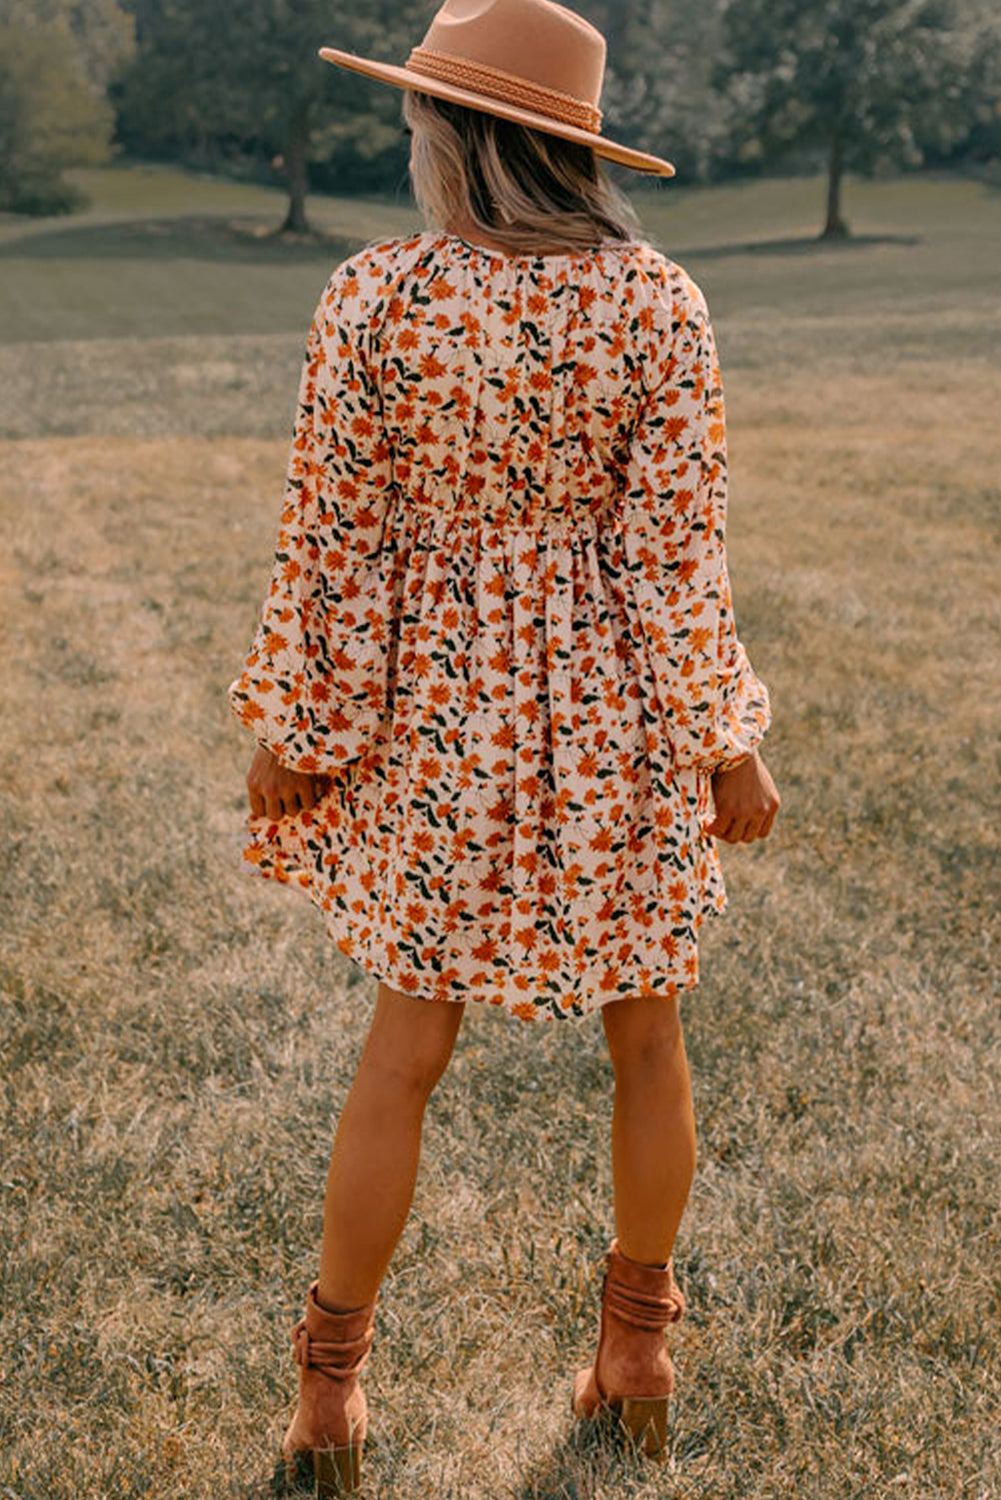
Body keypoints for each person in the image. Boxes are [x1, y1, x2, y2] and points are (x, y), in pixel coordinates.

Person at [226, 0, 780, 1489]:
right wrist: (722, 741)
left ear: (455, 135)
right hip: (613, 709)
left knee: (404, 1045)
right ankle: (638, 1346)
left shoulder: (375, 299)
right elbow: (679, 556)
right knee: (647, 1034)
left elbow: (330, 540)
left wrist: (303, 725)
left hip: (434, 709)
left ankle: (330, 1390)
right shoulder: (656, 301)